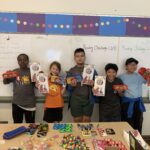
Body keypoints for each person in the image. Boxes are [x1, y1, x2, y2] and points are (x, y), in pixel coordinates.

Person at [3, 53, 36, 123]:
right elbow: (5, 82)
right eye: (20, 60)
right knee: (17, 124)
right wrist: (6, 76)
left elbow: (37, 85)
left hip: (30, 104)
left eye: (25, 60)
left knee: (31, 125)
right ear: (17, 62)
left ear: (28, 61)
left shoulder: (32, 72)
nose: (22, 62)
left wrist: (40, 76)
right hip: (16, 103)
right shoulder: (14, 71)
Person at [67, 48, 97, 122]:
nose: (80, 58)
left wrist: (93, 84)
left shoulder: (92, 70)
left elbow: (98, 84)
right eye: (77, 56)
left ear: (85, 57)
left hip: (88, 99)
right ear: (74, 58)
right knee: (77, 120)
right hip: (75, 100)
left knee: (86, 120)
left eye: (82, 56)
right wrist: (71, 85)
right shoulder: (71, 71)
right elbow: (68, 88)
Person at [119, 58, 147, 133]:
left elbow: (147, 81)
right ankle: (127, 141)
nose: (133, 66)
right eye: (131, 64)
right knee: (127, 123)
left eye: (135, 65)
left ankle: (137, 141)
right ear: (126, 66)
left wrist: (147, 73)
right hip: (127, 103)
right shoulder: (121, 77)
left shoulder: (140, 76)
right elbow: (117, 89)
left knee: (138, 122)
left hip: (138, 103)